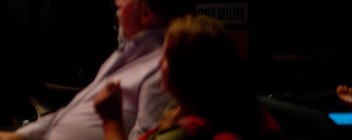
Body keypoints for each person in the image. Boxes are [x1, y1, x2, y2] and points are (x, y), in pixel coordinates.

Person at [0, 0, 194, 140]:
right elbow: (68, 114)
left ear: (147, 13)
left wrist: (111, 121)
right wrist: (19, 137)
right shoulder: (128, 51)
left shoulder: (164, 72)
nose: (116, 3)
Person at [97, 15, 268, 140]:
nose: (159, 62)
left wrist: (111, 120)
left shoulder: (185, 133)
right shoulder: (224, 109)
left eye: (166, 56)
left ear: (186, 72)